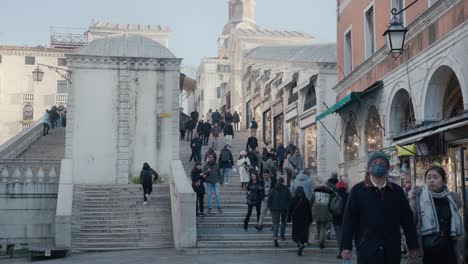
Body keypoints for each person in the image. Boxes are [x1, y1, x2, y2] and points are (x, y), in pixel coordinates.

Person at [341, 151, 419, 263]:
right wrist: (345, 246)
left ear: (387, 168)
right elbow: (349, 219)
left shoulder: (396, 191)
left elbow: (407, 220)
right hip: (367, 247)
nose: (378, 165)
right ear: (369, 167)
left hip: (391, 249)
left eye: (382, 163)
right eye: (375, 162)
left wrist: (412, 246)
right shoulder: (357, 191)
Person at [408, 166, 464, 264]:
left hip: (449, 249)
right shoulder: (418, 200)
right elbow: (410, 224)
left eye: (435, 177)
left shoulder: (451, 200)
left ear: (444, 181)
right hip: (427, 251)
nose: (431, 180)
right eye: (428, 177)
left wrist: (460, 253)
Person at [288, 186, 313, 256]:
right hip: (305, 220)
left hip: (296, 219)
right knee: (303, 234)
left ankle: (299, 244)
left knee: (295, 234)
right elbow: (309, 211)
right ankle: (301, 244)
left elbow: (290, 209)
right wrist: (311, 219)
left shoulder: (293, 199)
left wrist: (288, 218)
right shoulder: (306, 200)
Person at [268, 177, 292, 247]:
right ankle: (282, 235)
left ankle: (275, 237)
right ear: (282, 182)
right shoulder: (286, 189)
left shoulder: (273, 189)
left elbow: (269, 199)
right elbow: (290, 199)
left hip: (274, 208)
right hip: (284, 208)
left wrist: (270, 207)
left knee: (276, 223)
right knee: (283, 222)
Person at [311, 182, 333, 249]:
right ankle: (321, 241)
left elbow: (310, 201)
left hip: (316, 212)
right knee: (323, 227)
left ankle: (319, 237)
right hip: (325, 212)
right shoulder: (328, 195)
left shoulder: (315, 194)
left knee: (318, 225)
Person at [333, 180, 348, 259]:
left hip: (336, 218)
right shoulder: (348, 195)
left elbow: (331, 206)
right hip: (346, 219)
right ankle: (345, 250)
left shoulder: (335, 195)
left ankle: (341, 251)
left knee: (339, 236)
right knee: (345, 235)